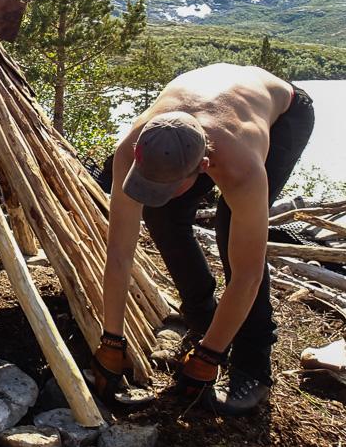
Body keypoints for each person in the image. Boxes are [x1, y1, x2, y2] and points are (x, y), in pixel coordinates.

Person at [93, 63, 314, 415]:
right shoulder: (133, 147)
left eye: (166, 184)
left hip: (283, 112)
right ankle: (203, 322)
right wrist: (111, 340)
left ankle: (252, 367)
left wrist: (208, 359)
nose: (153, 189)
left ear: (203, 166)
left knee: (234, 239)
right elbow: (119, 253)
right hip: (209, 103)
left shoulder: (242, 168)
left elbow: (248, 274)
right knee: (161, 214)